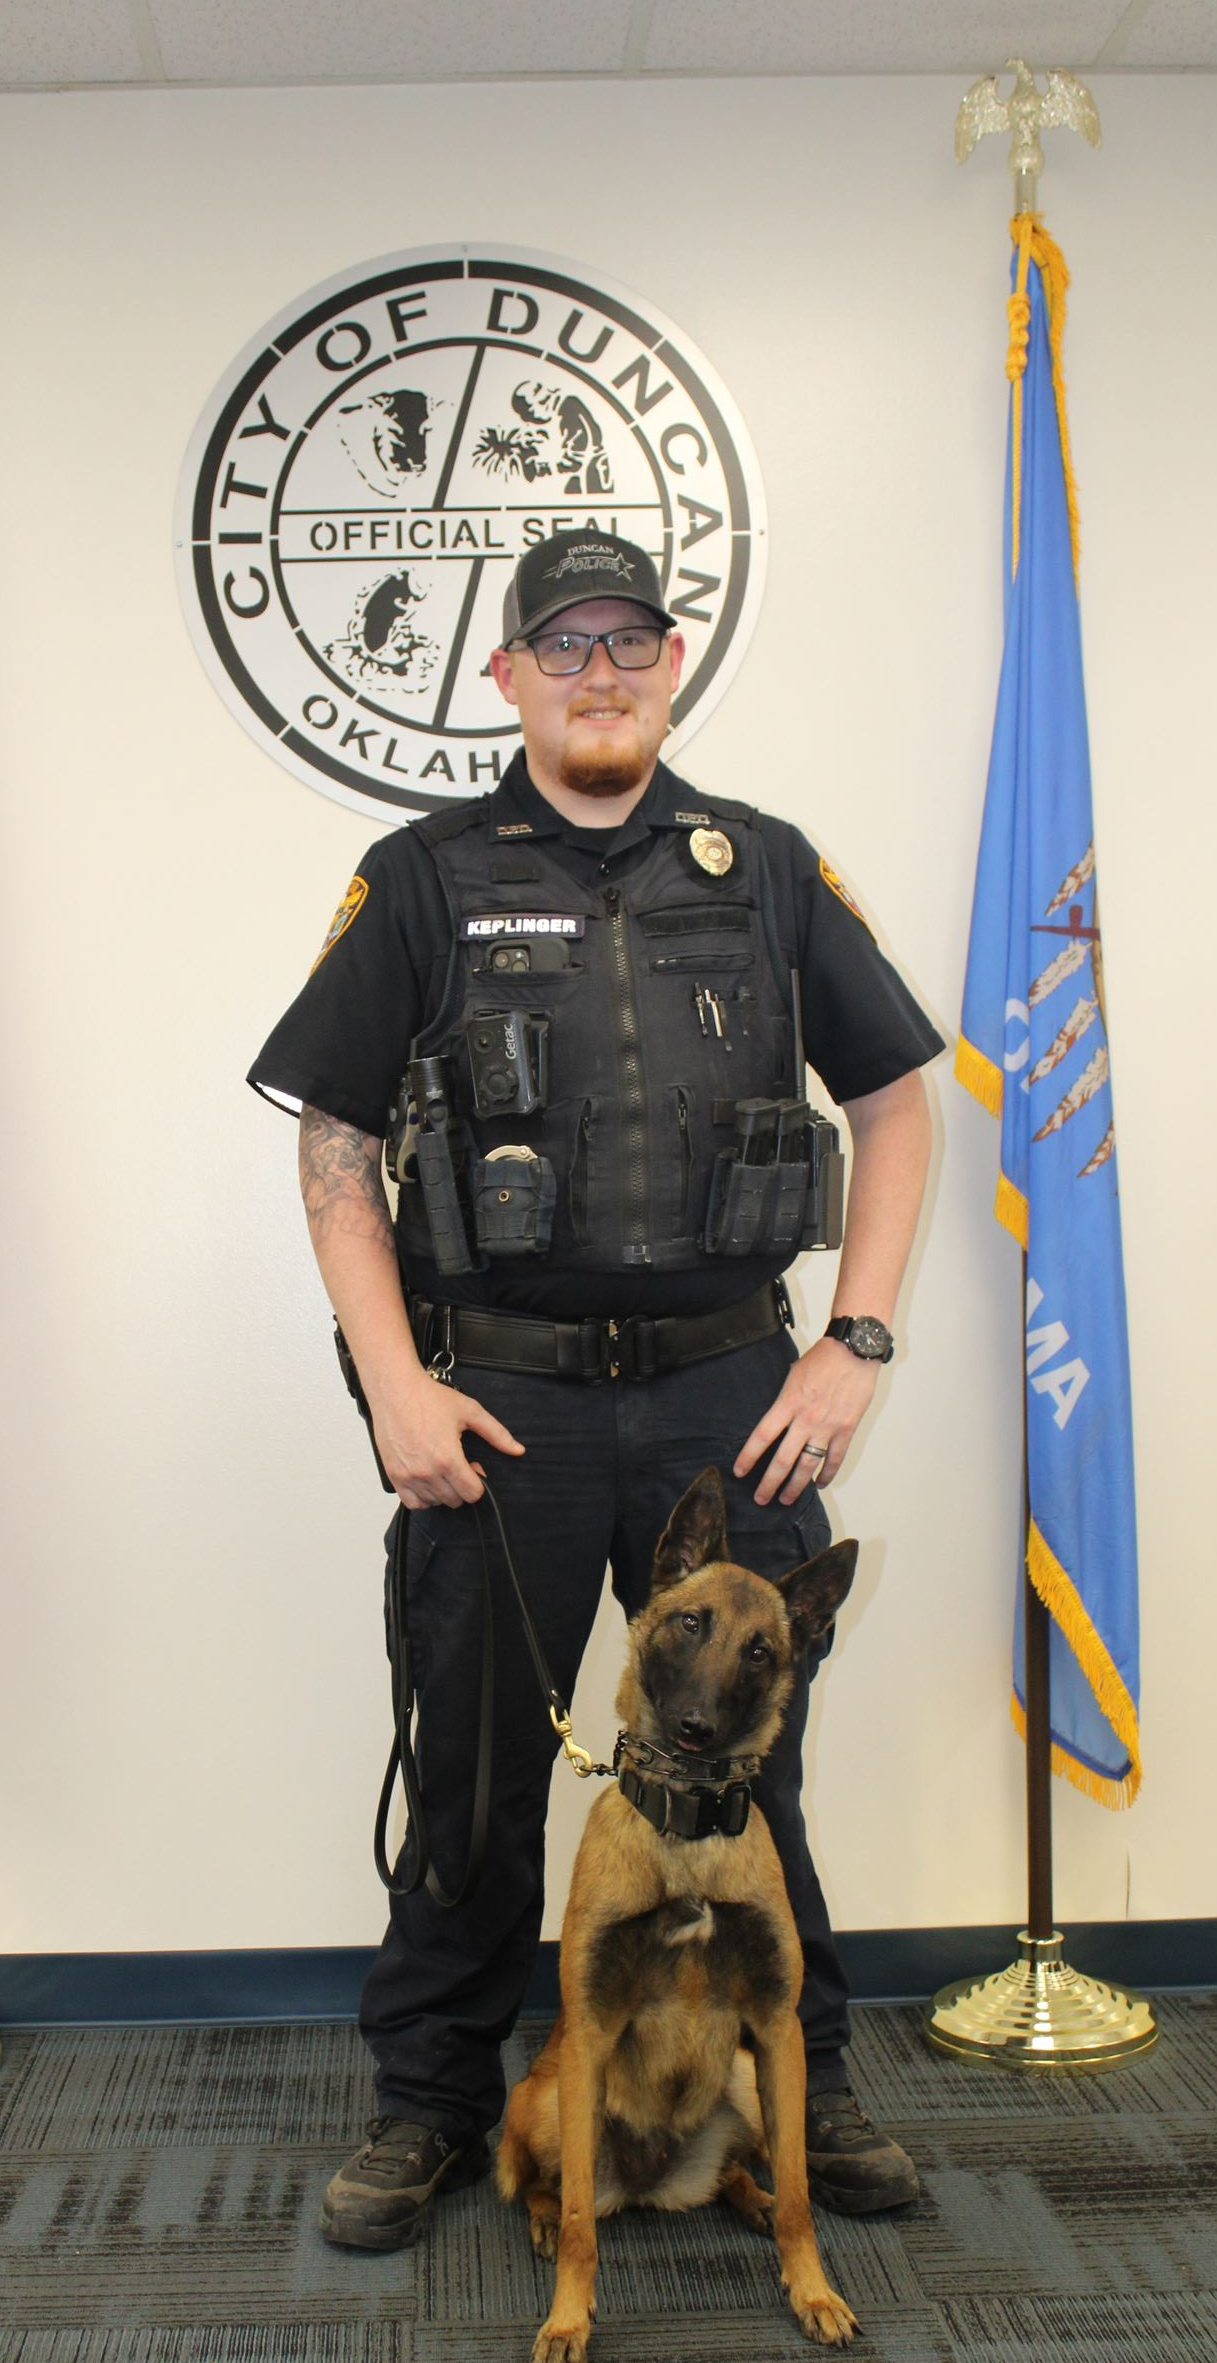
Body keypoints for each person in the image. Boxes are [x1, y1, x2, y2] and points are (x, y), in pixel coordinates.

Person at [249, 527, 943, 2252]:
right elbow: (336, 1147)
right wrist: (396, 1386)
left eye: (630, 641)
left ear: (673, 664)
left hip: (732, 1398)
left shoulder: (766, 868)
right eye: (563, 646)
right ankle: (432, 2101)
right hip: (507, 1414)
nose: (600, 674)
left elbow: (897, 1104)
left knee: (750, 1772)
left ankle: (807, 2080)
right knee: (478, 1775)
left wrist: (853, 1342)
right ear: (507, 678)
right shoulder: (424, 878)